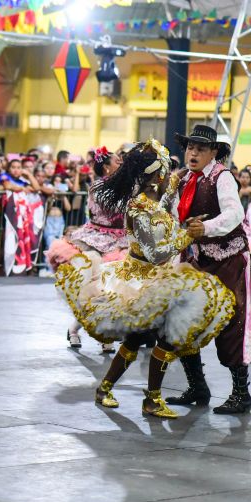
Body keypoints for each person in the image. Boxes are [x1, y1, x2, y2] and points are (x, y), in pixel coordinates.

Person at [56, 139, 234, 418]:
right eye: (166, 172)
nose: (170, 176)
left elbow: (164, 213)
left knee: (140, 339)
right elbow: (156, 252)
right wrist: (188, 235)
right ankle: (149, 398)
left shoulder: (152, 202)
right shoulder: (138, 208)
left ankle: (108, 390)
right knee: (160, 339)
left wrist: (177, 202)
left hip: (155, 279)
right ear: (155, 177)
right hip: (141, 282)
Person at [167, 125, 251, 414]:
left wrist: (207, 227)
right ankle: (198, 386)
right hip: (196, 259)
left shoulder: (222, 177)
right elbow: (175, 216)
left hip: (228, 260)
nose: (193, 152)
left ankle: (241, 393)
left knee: (231, 324)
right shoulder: (183, 180)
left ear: (214, 152)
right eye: (190, 147)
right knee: (182, 319)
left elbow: (234, 213)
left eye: (201, 148)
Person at [46, 146, 128, 352]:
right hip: (96, 240)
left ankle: (87, 330)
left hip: (121, 240)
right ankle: (88, 332)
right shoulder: (98, 187)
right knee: (95, 290)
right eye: (117, 161)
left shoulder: (124, 186)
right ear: (107, 167)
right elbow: (115, 207)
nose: (121, 163)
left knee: (113, 290)